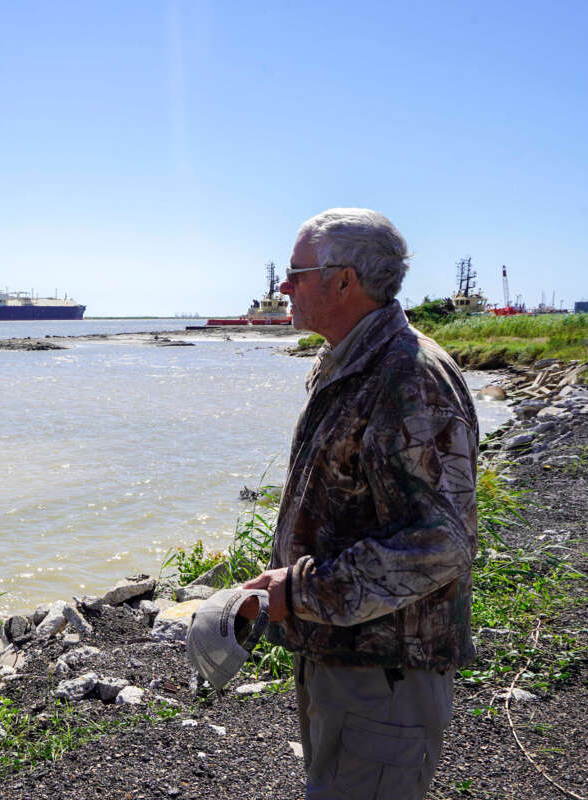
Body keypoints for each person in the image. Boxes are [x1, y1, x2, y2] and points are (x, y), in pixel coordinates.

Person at [239, 208, 479, 799]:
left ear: (343, 281)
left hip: (385, 672)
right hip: (348, 658)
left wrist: (299, 592)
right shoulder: (350, 362)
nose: (282, 286)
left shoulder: (409, 376)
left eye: (296, 273)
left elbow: (440, 544)